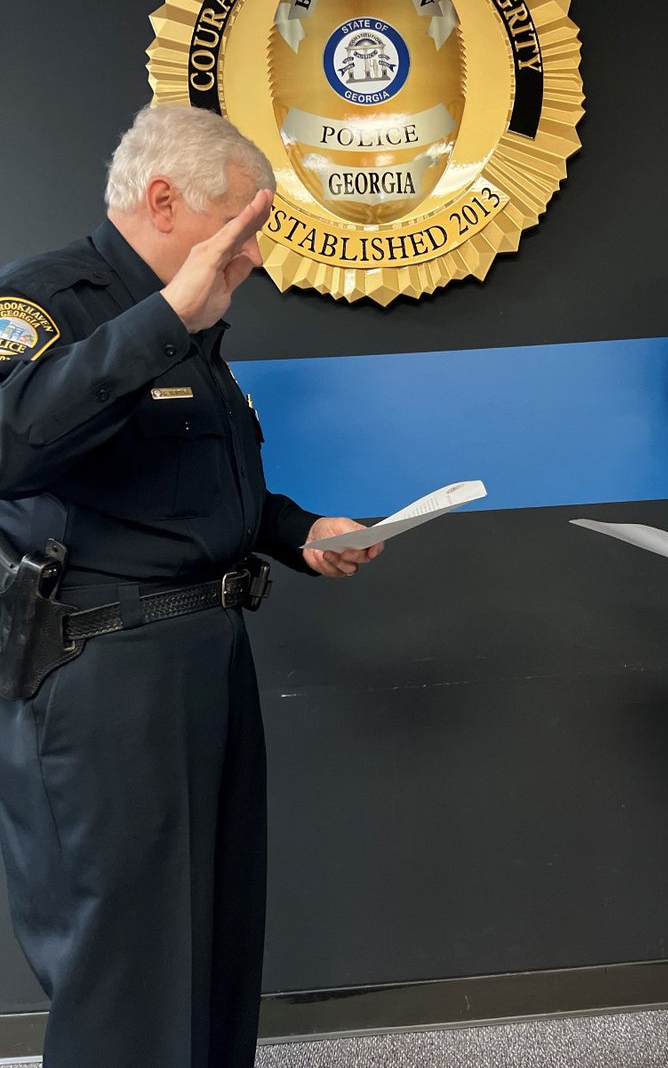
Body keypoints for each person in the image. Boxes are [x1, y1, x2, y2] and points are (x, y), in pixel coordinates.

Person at [0, 105, 383, 1068]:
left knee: (211, 938)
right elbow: (13, 445)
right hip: (102, 668)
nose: (255, 254)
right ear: (165, 200)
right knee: (128, 959)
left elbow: (196, 489)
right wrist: (168, 318)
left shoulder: (191, 317)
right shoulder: (46, 302)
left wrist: (299, 533)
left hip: (203, 654)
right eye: (244, 224)